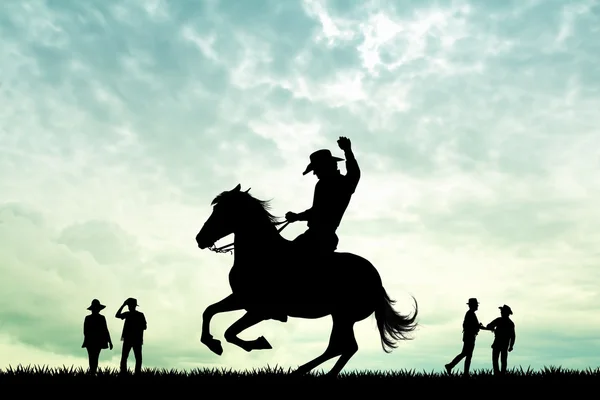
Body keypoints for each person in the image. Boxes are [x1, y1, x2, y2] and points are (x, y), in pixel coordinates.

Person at [285, 136, 360, 255]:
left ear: (326, 166)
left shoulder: (328, 184)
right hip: (322, 236)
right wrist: (347, 151)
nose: (314, 173)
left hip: (318, 237)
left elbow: (318, 212)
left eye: (316, 169)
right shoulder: (339, 183)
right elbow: (354, 174)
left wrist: (297, 217)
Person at [445, 298, 488, 377]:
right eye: (476, 305)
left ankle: (459, 370)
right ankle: (456, 368)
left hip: (469, 336)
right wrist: (486, 328)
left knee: (466, 354)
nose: (477, 306)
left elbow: (474, 325)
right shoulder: (470, 314)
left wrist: (479, 327)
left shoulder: (470, 314)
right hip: (469, 336)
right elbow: (474, 325)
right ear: (473, 305)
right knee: (467, 354)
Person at [115, 298, 147, 375]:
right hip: (135, 339)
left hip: (130, 339)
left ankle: (124, 373)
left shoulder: (129, 314)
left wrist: (123, 305)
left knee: (125, 357)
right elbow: (144, 327)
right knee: (136, 358)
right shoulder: (139, 315)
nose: (129, 307)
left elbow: (117, 315)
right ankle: (136, 373)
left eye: (129, 305)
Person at [82, 299, 113, 375]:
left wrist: (110, 341)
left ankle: (93, 372)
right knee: (94, 357)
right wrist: (109, 341)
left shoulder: (89, 318)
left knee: (93, 357)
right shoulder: (100, 318)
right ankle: (93, 372)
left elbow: (105, 330)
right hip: (95, 341)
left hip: (93, 341)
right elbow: (105, 330)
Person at [485, 304, 516, 376]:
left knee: (496, 359)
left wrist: (493, 329)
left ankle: (497, 374)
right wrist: (511, 346)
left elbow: (489, 326)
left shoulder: (499, 320)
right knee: (503, 360)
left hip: (498, 343)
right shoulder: (510, 323)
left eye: (502, 311)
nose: (501, 312)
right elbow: (513, 336)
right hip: (504, 344)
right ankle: (502, 374)